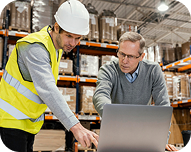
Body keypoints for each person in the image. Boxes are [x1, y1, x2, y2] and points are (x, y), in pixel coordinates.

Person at [0, 0, 98, 152]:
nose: (73, 43)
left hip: (27, 124)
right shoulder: (35, 47)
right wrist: (76, 127)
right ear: (57, 27)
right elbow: (47, 88)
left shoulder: (56, 48)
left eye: (78, 38)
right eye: (69, 36)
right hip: (9, 122)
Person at [93, 31, 179, 151]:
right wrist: (113, 117)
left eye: (131, 56)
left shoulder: (153, 71)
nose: (124, 60)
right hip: (115, 134)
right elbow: (100, 95)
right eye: (121, 54)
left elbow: (163, 106)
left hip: (144, 136)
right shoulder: (108, 70)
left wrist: (161, 140)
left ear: (142, 57)